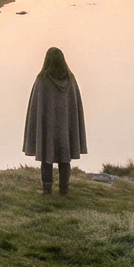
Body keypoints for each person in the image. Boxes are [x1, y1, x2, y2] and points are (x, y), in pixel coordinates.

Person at [23, 47, 87, 196]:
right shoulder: (71, 79)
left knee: (46, 157)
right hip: (65, 129)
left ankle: (47, 191)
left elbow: (36, 108)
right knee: (65, 159)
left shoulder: (42, 80)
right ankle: (64, 190)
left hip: (48, 128)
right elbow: (74, 107)